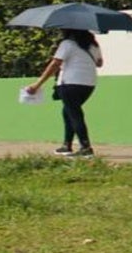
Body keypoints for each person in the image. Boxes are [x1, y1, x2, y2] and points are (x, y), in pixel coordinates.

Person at [25, 28, 104, 157]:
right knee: (68, 112)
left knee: (74, 113)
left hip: (70, 83)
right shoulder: (93, 45)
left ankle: (85, 147)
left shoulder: (67, 44)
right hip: (88, 84)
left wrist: (37, 84)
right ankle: (66, 145)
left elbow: (55, 64)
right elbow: (100, 63)